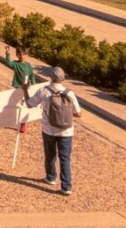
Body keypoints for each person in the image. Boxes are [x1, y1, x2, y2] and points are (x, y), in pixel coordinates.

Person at [28, 67, 81, 196]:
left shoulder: (44, 91)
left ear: (50, 77)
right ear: (63, 79)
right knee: (65, 158)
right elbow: (78, 114)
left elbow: (30, 104)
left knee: (50, 154)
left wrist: (25, 91)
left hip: (48, 129)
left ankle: (51, 177)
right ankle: (66, 186)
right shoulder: (69, 93)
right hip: (66, 131)